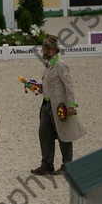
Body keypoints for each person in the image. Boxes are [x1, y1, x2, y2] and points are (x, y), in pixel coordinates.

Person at [31, 35, 85, 175]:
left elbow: (69, 86)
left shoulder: (60, 65)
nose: (43, 51)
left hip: (59, 106)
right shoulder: (49, 66)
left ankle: (68, 164)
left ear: (54, 50)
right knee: (44, 134)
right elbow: (52, 85)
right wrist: (39, 88)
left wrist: (71, 105)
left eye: (46, 49)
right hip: (47, 105)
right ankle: (47, 164)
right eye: (43, 48)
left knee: (63, 133)